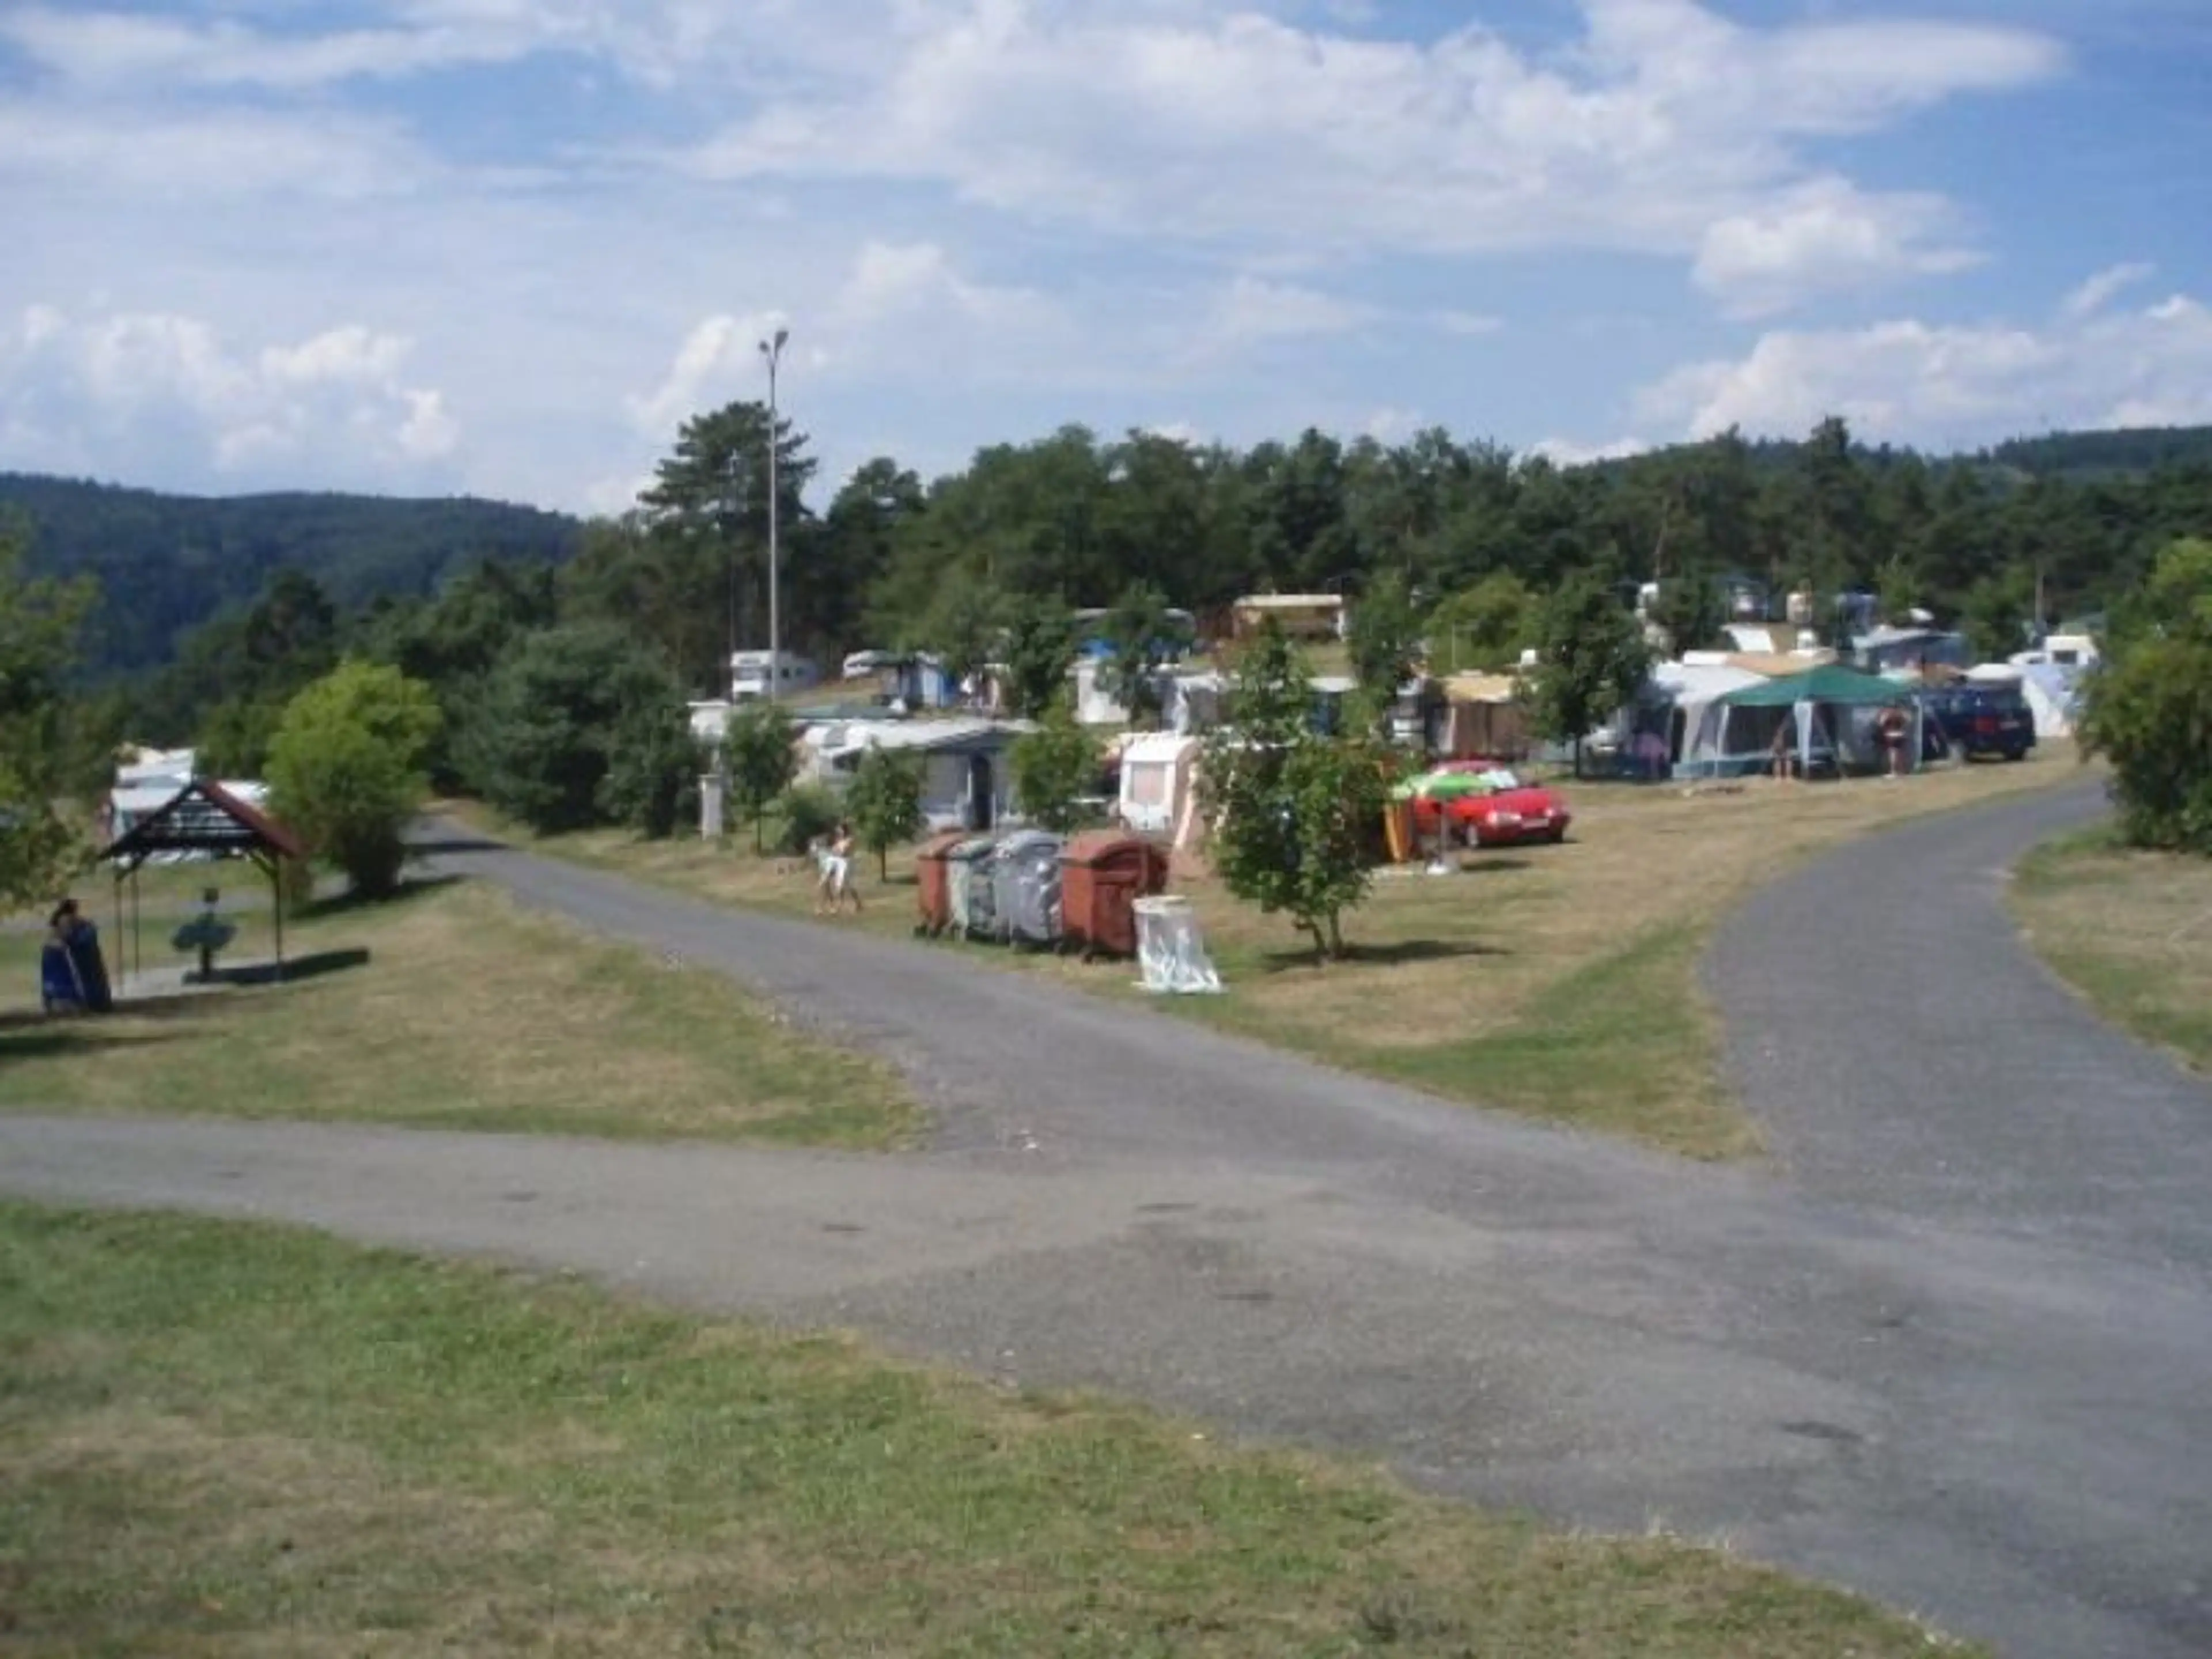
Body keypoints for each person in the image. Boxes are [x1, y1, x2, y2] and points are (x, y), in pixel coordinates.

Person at [828, 820, 863, 915]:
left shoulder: (850, 839)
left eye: (841, 831)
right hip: (840, 862)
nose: (839, 833)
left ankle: (840, 906)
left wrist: (838, 850)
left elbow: (845, 851)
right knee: (844, 885)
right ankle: (857, 904)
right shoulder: (839, 840)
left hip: (847, 863)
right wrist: (837, 849)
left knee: (843, 884)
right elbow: (834, 850)